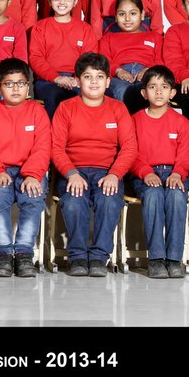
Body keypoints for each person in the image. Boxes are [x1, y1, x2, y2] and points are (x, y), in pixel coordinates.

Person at [51, 52, 137, 277]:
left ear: (108, 81)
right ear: (78, 81)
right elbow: (56, 147)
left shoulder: (118, 109)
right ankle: (78, 257)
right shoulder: (66, 108)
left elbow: (129, 147)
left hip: (107, 172)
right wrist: (71, 173)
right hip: (74, 171)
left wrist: (115, 174)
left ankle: (99, 257)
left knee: (109, 201)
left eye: (99, 77)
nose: (94, 82)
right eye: (87, 77)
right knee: (74, 202)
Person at [0, 58, 50, 277]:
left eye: (20, 83)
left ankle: (24, 252)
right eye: (9, 84)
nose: (15, 89)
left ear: (28, 86)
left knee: (33, 195)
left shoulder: (37, 111)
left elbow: (43, 147)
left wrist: (33, 174)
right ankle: (3, 253)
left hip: (29, 170)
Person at [129, 65, 189, 279]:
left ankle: (174, 259)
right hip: (146, 174)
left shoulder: (181, 122)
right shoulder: (135, 120)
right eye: (152, 87)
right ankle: (156, 259)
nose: (158, 92)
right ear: (143, 93)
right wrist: (146, 172)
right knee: (154, 195)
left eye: (164, 87)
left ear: (172, 93)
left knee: (176, 197)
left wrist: (178, 173)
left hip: (175, 172)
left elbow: (185, 155)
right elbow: (131, 153)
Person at [29, 0, 97, 119]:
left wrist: (78, 78)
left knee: (88, 95)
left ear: (75, 1)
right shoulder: (40, 28)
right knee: (55, 94)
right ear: (49, 0)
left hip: (78, 79)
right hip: (48, 80)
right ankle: (54, 133)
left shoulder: (85, 29)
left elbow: (89, 59)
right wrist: (56, 78)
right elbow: (36, 58)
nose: (62, 2)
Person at [98, 0, 163, 114]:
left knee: (148, 90)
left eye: (133, 14)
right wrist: (118, 71)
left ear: (142, 15)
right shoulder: (108, 39)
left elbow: (161, 60)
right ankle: (124, 122)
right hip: (119, 76)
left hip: (147, 75)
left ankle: (145, 122)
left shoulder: (155, 37)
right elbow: (104, 61)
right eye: (122, 14)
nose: (127, 19)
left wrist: (149, 69)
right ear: (115, 17)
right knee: (123, 89)